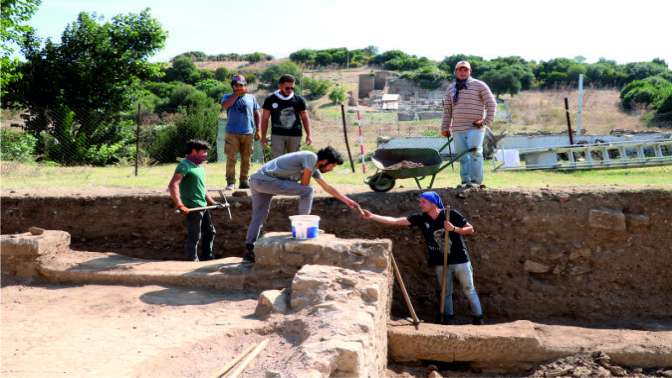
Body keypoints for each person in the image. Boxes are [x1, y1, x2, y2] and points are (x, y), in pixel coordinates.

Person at [360, 191, 484, 325]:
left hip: (460, 260)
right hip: (440, 262)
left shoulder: (450, 214)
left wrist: (454, 228)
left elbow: (470, 229)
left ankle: (478, 316)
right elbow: (396, 221)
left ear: (433, 203)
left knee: (468, 289)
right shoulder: (421, 218)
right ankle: (447, 317)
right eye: (420, 201)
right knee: (445, 292)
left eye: (423, 202)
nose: (420, 204)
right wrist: (372, 216)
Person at [243, 146, 360, 262]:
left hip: (256, 181)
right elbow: (304, 185)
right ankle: (304, 226)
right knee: (308, 191)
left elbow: (327, 187)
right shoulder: (311, 157)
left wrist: (348, 201)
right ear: (324, 161)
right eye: (332, 166)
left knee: (259, 216)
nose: (331, 169)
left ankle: (249, 249)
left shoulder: (312, 166)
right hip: (266, 181)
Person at [441, 61, 496, 189]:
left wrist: (484, 122)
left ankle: (476, 182)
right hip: (457, 129)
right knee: (462, 156)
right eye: (460, 70)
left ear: (470, 72)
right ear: (455, 72)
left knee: (475, 153)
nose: (462, 72)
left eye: (465, 70)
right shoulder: (451, 88)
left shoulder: (479, 85)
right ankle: (465, 181)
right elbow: (447, 110)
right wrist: (444, 127)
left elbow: (492, 104)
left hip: (475, 128)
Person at [168, 140, 222, 262]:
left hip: (203, 206)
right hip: (192, 207)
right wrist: (180, 205)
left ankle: (208, 257)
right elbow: (173, 185)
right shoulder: (184, 165)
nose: (206, 154)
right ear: (194, 151)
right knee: (195, 236)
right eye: (203, 152)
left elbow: (203, 189)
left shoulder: (199, 167)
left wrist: (212, 202)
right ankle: (192, 260)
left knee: (209, 232)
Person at [220, 74, 261, 190]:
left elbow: (257, 113)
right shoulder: (227, 96)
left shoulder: (251, 97)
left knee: (246, 158)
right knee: (231, 158)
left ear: (245, 86)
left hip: (248, 132)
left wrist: (259, 130)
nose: (238, 87)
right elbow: (226, 106)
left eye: (241, 85)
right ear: (232, 86)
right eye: (236, 85)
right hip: (232, 132)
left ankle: (244, 181)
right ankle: (230, 182)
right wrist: (236, 95)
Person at [260, 74, 312, 158]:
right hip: (277, 135)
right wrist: (263, 136)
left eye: (292, 88)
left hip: (295, 135)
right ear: (280, 86)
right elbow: (265, 119)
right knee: (277, 161)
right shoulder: (270, 99)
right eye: (287, 88)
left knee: (294, 161)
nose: (290, 90)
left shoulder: (299, 100)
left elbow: (305, 118)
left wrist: (309, 135)